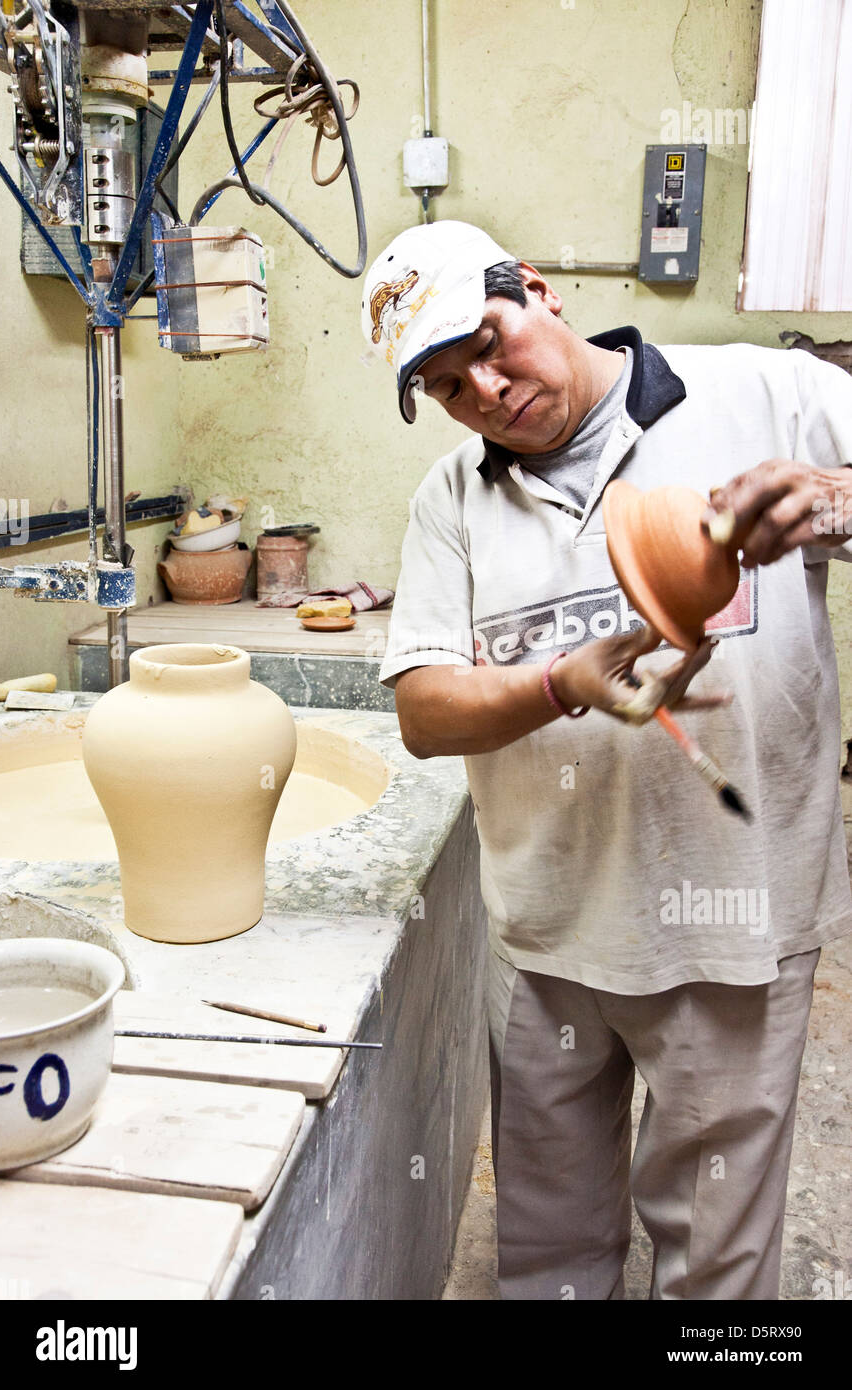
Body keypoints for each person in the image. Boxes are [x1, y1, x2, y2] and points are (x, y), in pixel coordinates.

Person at [360, 220, 852, 1300]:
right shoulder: (451, 501)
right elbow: (426, 711)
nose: (485, 390)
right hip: (549, 937)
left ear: (538, 291)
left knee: (715, 1266)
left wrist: (831, 501)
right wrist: (556, 685)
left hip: (737, 926)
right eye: (446, 386)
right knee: (547, 1260)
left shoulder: (762, 394)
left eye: (489, 343)